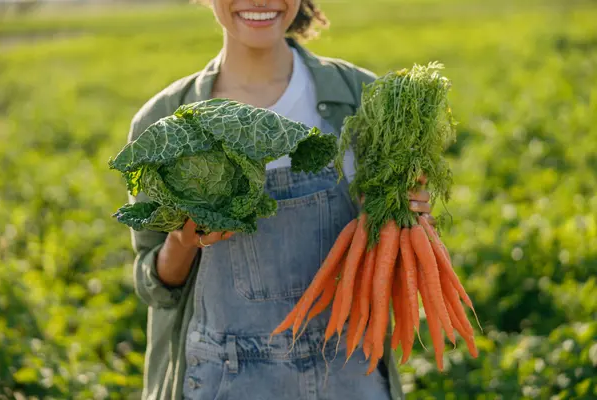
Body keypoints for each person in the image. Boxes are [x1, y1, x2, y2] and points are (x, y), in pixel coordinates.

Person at [126, 1, 435, 399]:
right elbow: (155, 286)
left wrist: (410, 222)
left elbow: (393, 264)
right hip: (225, 378)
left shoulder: (362, 99)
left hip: (348, 372)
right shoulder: (164, 120)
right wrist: (182, 241)